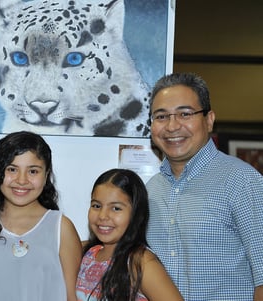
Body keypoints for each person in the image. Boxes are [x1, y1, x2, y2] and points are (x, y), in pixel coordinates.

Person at [146, 72, 263, 300]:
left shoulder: (242, 181)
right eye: (161, 116)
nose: (172, 126)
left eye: (185, 114)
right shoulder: (151, 189)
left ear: (209, 120)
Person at [0, 131, 82, 301]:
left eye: (33, 171)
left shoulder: (61, 228)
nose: (22, 180)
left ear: (46, 174)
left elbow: (72, 297)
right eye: (12, 169)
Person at [76, 168, 183, 301]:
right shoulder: (87, 253)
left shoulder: (140, 262)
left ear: (136, 214)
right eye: (96, 206)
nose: (103, 216)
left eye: (116, 208)